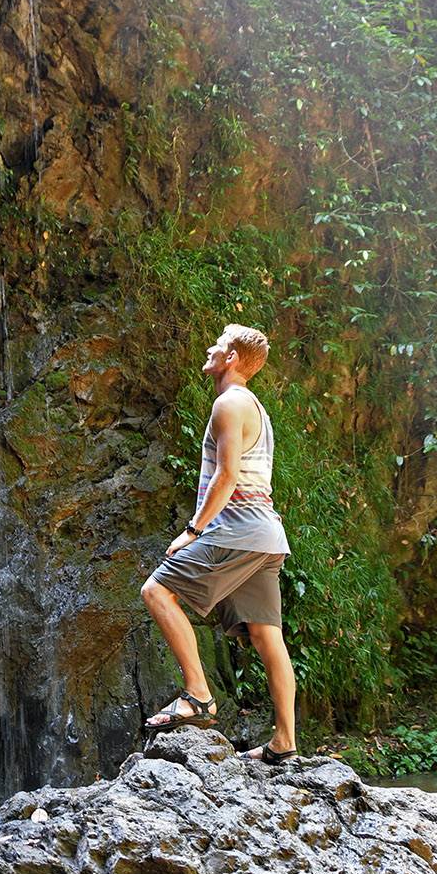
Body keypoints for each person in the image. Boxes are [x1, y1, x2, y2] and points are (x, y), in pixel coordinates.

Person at [141, 322, 297, 763]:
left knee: (156, 591)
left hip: (238, 530)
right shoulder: (255, 408)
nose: (210, 348)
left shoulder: (229, 403)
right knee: (269, 637)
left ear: (231, 358)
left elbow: (228, 475)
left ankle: (198, 696)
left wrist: (192, 530)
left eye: (219, 345)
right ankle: (284, 741)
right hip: (265, 536)